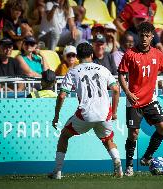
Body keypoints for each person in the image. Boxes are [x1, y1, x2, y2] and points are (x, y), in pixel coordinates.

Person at [117, 22, 163, 176]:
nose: (144, 38)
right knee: (133, 134)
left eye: (147, 36)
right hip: (134, 100)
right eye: (141, 35)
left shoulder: (157, 54)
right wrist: (128, 93)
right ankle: (129, 166)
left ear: (151, 37)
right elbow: (121, 74)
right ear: (138, 36)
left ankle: (147, 157)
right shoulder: (130, 54)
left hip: (150, 99)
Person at [49, 42, 123, 179]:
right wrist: (114, 112)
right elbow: (116, 89)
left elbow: (62, 95)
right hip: (104, 113)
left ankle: (57, 172)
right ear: (92, 54)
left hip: (85, 114)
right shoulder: (103, 69)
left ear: (77, 56)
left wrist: (56, 116)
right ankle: (117, 162)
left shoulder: (73, 71)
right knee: (108, 139)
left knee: (64, 136)